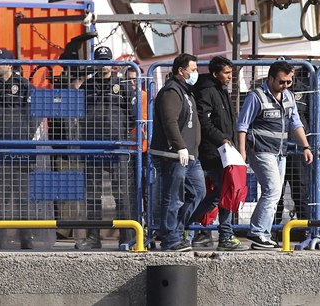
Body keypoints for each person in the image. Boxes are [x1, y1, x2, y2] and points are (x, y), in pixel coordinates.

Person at [236, 60, 313, 250]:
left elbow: (296, 123)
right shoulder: (256, 97)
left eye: (289, 82)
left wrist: (305, 146)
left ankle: (261, 232)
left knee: (275, 193)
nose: (285, 86)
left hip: (280, 152)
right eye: (281, 82)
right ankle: (258, 232)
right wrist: (243, 152)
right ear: (270, 79)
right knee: (272, 190)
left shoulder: (288, 97)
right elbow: (242, 125)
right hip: (261, 150)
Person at [75, 46, 137, 249]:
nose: (104, 65)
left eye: (107, 61)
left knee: (122, 193)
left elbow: (132, 117)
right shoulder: (87, 86)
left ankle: (126, 237)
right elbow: (78, 114)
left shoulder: (122, 86)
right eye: (100, 61)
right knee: (93, 194)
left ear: (112, 63)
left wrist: (121, 135)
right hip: (91, 146)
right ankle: (94, 237)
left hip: (117, 147)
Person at [187, 56, 248, 251]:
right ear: (215, 73)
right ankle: (186, 222)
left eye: (231, 73)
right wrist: (221, 138)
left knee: (223, 191)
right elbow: (204, 122)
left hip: (224, 150)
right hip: (213, 152)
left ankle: (222, 233)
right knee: (223, 191)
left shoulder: (220, 90)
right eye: (227, 73)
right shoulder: (207, 91)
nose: (230, 77)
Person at [149, 53, 205, 252]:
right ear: (181, 71)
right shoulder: (171, 91)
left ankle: (177, 230)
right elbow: (170, 122)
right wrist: (180, 146)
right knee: (173, 197)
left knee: (198, 192)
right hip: (174, 155)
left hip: (190, 156)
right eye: (193, 70)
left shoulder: (186, 91)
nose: (195, 74)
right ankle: (170, 238)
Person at [0, 48, 35, 249]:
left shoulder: (24, 86)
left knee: (22, 196)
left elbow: (33, 118)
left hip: (21, 148)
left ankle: (26, 239)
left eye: (0, 62)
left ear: (10, 65)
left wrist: (24, 138)